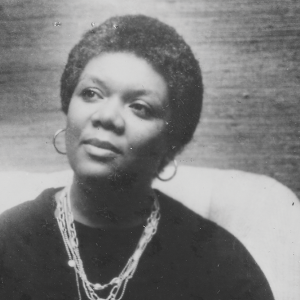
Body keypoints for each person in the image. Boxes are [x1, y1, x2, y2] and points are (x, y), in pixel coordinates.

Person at [0, 15, 274, 300]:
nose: (106, 117)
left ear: (173, 143)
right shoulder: (8, 242)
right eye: (91, 93)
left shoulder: (221, 264)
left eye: (140, 107)